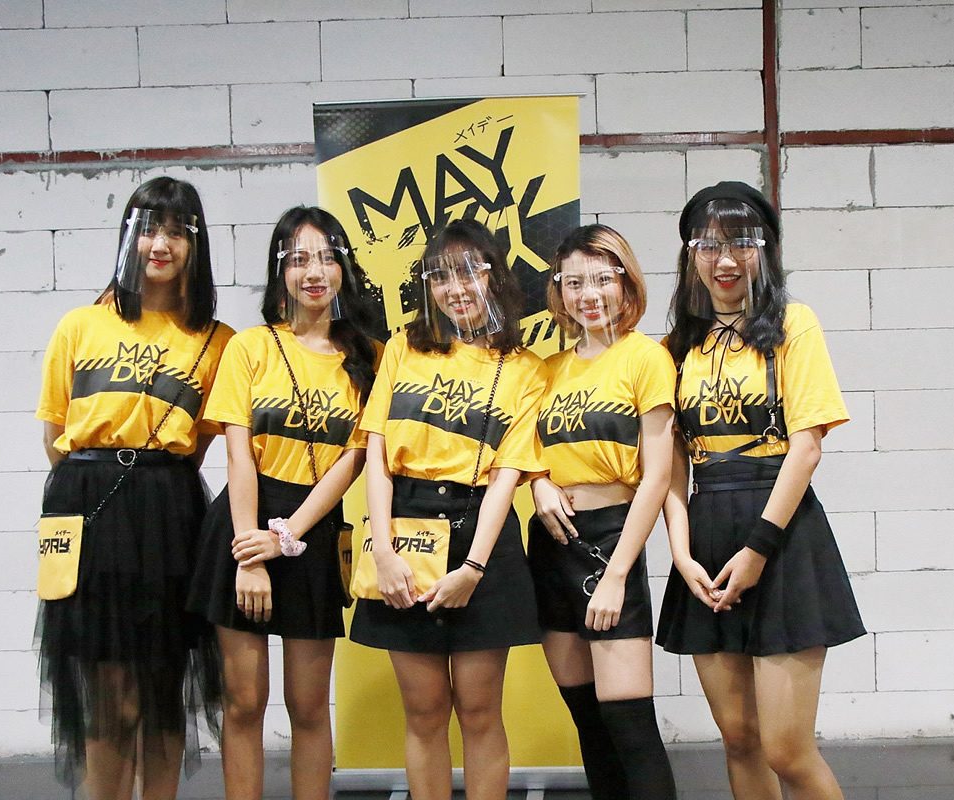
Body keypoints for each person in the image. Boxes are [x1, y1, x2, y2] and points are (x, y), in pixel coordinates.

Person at [655, 181, 865, 800]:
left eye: (741, 243)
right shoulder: (675, 347)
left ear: (766, 248)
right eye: (708, 245)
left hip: (781, 535)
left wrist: (757, 549)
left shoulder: (793, 325)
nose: (725, 259)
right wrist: (681, 553)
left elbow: (807, 448)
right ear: (690, 255)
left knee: (786, 750)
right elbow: (671, 465)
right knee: (740, 739)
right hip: (706, 534)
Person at [35, 176, 234, 799]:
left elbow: (199, 446)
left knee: (162, 685)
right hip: (88, 508)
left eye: (177, 231)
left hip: (168, 511)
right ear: (128, 238)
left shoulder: (217, 341)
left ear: (195, 245)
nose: (161, 244)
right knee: (108, 692)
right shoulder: (80, 325)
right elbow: (56, 438)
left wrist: (150, 484)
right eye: (148, 229)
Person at [349, 218, 548, 800]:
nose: (455, 288)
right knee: (425, 710)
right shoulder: (402, 349)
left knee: (481, 711)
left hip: (480, 534)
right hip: (404, 529)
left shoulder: (525, 368)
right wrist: (383, 551)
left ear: (494, 278)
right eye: (440, 276)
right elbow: (377, 455)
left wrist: (473, 569)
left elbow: (507, 477)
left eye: (468, 273)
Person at [186, 206, 380, 800]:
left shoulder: (370, 356)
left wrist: (288, 535)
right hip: (242, 526)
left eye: (326, 258)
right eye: (298, 259)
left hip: (313, 528)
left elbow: (353, 460)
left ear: (344, 267)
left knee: (308, 705)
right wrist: (252, 553)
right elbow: (237, 455)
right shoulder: (250, 347)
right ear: (280, 271)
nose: (313, 272)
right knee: (244, 702)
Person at [527, 224, 679, 800]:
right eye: (574, 283)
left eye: (601, 279)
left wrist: (616, 574)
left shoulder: (646, 357)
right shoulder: (546, 370)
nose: (588, 294)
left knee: (629, 723)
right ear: (559, 291)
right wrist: (539, 483)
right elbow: (526, 455)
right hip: (551, 544)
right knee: (588, 721)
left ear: (625, 282)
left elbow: (657, 476)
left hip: (611, 540)